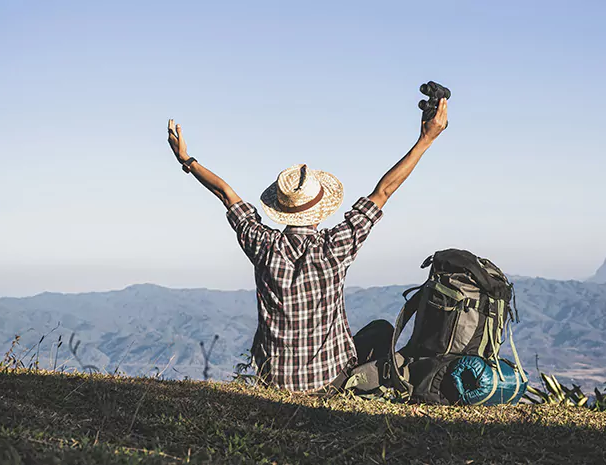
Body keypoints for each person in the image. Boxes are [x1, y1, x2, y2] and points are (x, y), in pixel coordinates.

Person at [165, 98, 448, 392]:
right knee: (381, 331)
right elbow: (384, 190)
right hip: (330, 382)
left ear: (282, 208)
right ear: (321, 208)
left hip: (274, 381)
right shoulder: (336, 246)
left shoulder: (262, 244)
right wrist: (425, 139)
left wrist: (186, 160)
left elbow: (225, 194)